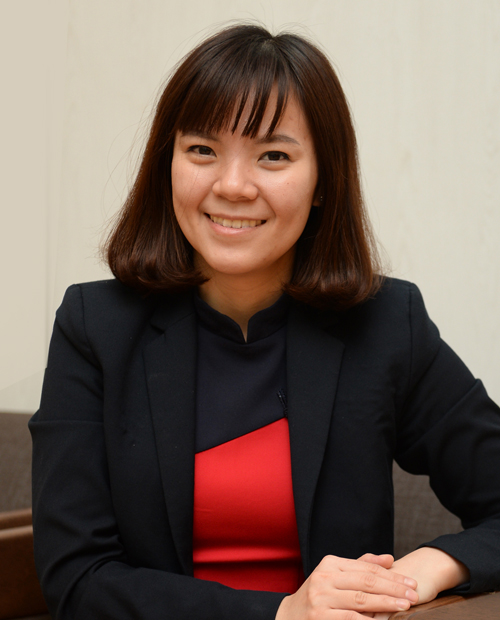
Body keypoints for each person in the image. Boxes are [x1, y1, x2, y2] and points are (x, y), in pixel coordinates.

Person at [29, 23, 500, 620]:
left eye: (273, 156)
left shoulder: (387, 325)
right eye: (202, 150)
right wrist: (282, 614)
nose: (232, 186)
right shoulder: (94, 327)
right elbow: (76, 579)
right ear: (167, 164)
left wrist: (425, 567)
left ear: (324, 180)